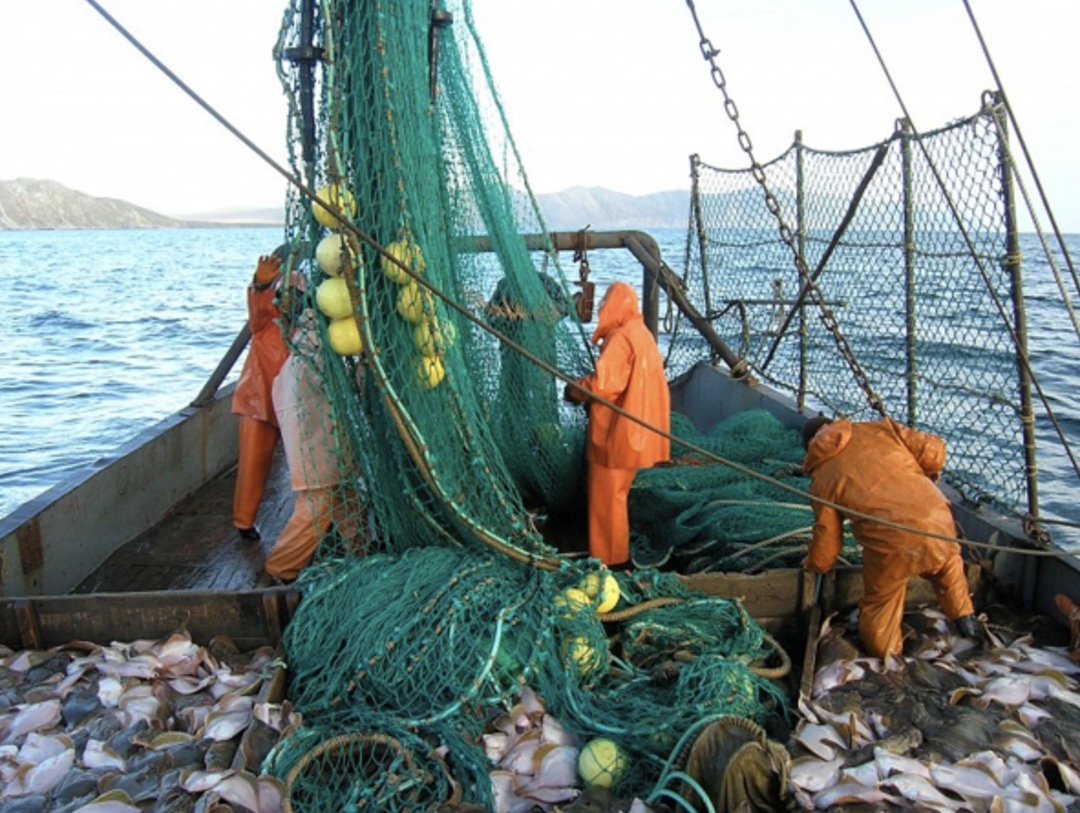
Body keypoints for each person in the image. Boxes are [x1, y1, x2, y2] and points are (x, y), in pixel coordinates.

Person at [800, 415, 979, 659]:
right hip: (938, 517)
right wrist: (927, 473)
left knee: (881, 604)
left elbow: (827, 539)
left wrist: (815, 565)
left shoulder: (821, 478)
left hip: (892, 545)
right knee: (948, 565)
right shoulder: (880, 427)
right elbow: (933, 449)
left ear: (810, 445)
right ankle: (965, 620)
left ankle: (889, 662)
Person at [564, 281, 670, 567]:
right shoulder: (642, 334)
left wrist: (573, 390)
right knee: (618, 497)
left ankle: (609, 563)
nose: (601, 309)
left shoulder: (621, 339)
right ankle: (618, 556)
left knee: (606, 501)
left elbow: (602, 385)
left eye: (604, 303)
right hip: (639, 435)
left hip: (618, 436)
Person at [263, 297, 362, 583]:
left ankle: (360, 550)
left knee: (346, 496)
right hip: (315, 444)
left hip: (318, 440)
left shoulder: (300, 349)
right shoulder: (317, 350)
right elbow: (348, 385)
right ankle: (281, 568)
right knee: (317, 505)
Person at [231, 245, 291, 542]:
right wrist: (261, 283)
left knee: (314, 467)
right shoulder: (266, 319)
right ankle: (243, 521)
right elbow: (258, 310)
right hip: (260, 394)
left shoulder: (307, 323)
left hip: (296, 396)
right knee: (254, 458)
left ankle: (340, 526)